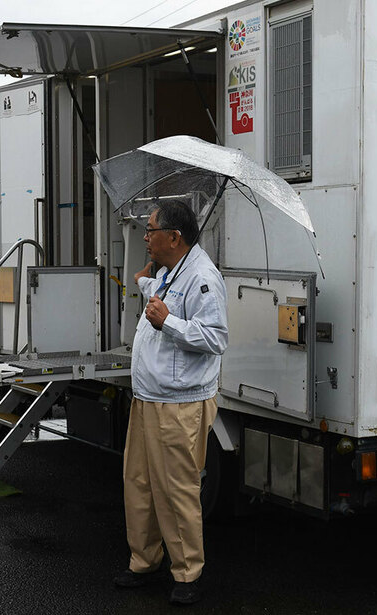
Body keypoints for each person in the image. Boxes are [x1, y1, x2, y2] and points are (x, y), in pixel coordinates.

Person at [113, 199, 228, 605]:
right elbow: (162, 299)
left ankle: (187, 574)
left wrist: (169, 322)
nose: (145, 237)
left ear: (174, 237)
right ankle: (143, 561)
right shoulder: (172, 271)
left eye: (150, 231)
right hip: (149, 399)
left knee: (176, 489)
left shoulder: (202, 278)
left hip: (178, 405)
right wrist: (146, 282)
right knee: (140, 484)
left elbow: (215, 337)